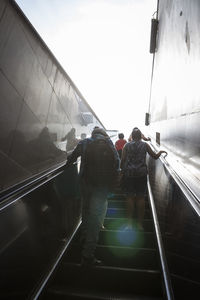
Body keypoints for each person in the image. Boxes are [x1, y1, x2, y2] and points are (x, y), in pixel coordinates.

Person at [65, 127, 120, 266]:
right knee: (95, 217)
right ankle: (88, 254)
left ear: (93, 133)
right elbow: (117, 163)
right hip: (102, 186)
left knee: (86, 210)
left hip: (85, 184)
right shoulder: (108, 143)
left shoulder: (85, 142)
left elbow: (71, 158)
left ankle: (84, 235)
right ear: (103, 134)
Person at [120, 127, 167, 230]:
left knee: (130, 197)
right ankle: (140, 224)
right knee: (141, 197)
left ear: (132, 136)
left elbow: (123, 160)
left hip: (130, 174)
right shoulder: (145, 145)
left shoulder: (126, 145)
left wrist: (121, 171)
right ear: (140, 136)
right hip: (141, 174)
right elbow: (154, 156)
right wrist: (161, 152)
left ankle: (129, 223)